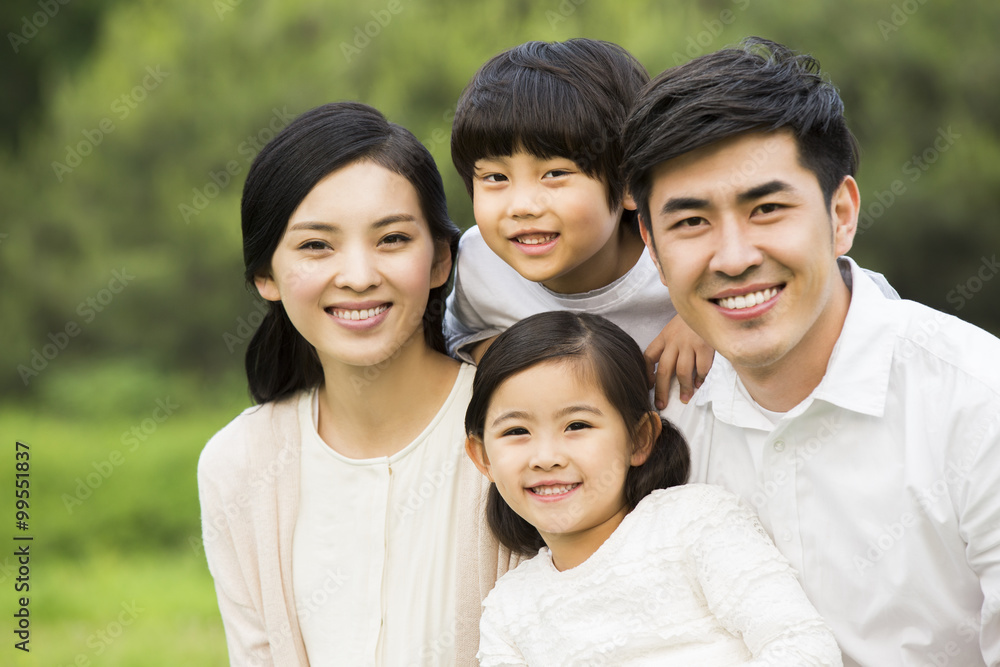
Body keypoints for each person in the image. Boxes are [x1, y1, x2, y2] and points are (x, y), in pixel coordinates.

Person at [622, 37, 1000, 666]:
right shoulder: (655, 421)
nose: (735, 257)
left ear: (842, 213)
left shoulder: (977, 399)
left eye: (767, 208)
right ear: (652, 247)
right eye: (691, 222)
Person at [197, 102, 517, 666]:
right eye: (317, 245)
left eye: (392, 239)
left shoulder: (521, 427)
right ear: (265, 276)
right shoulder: (240, 464)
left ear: (442, 259)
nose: (360, 276)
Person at [464, 311, 842, 666]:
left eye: (577, 425)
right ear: (482, 458)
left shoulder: (692, 523)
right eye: (516, 431)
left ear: (639, 439)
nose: (546, 457)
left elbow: (802, 645)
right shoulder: (508, 609)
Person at [445, 38, 715, 407]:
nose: (522, 206)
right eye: (495, 178)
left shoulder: (682, 252)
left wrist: (706, 320)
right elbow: (464, 332)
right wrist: (503, 357)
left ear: (629, 184)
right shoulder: (479, 260)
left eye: (555, 173)